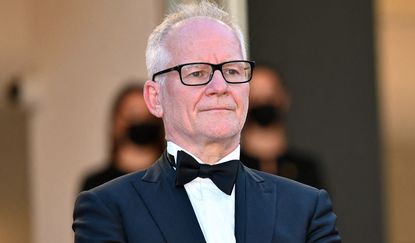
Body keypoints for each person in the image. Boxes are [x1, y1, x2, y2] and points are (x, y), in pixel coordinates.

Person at [73, 2, 341, 243]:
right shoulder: (108, 209)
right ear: (155, 98)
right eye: (197, 72)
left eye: (232, 70)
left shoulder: (306, 208)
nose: (220, 86)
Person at [241, 64, 325, 189]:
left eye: (270, 93)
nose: (263, 101)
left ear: (284, 98)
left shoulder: (305, 168)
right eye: (255, 94)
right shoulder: (230, 170)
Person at [80, 83, 164, 191]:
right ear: (116, 123)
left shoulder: (175, 180)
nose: (141, 122)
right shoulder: (96, 186)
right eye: (132, 115)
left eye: (148, 115)